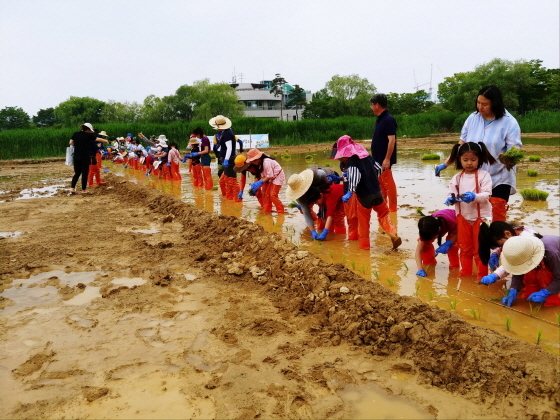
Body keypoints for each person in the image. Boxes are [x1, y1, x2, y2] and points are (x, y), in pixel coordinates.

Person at [436, 85, 522, 222]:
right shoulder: (472, 118)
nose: (480, 107)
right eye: (478, 103)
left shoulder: (509, 122)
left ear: (495, 104)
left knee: (496, 220)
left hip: (499, 178)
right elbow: (461, 145)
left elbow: (514, 149)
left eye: (485, 104)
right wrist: (445, 164)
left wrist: (508, 159)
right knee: (476, 217)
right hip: (476, 177)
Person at [335, 135, 401, 250]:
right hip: (377, 192)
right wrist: (371, 179)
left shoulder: (352, 163)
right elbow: (379, 169)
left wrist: (350, 192)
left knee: (363, 222)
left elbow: (355, 176)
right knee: (384, 214)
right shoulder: (368, 158)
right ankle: (393, 233)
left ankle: (364, 248)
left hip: (364, 197)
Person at [445, 142, 496, 278]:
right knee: (465, 248)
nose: (469, 163)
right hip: (463, 217)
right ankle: (465, 274)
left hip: (482, 218)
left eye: (473, 160)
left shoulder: (484, 175)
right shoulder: (456, 178)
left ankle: (482, 276)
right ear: (459, 159)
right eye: (465, 160)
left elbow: (487, 195)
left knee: (481, 249)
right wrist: (450, 199)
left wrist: (474, 196)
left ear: (479, 159)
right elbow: (452, 194)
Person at [500, 235, 560, 307]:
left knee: (547, 275)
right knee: (530, 274)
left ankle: (553, 299)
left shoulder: (551, 253)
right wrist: (514, 288)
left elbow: (559, 277)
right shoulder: (523, 251)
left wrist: (546, 292)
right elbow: (519, 269)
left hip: (556, 259)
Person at [477, 221, 542, 285]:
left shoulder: (525, 242)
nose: (503, 247)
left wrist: (495, 275)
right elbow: (502, 242)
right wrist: (495, 253)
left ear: (508, 233)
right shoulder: (512, 233)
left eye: (501, 245)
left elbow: (512, 264)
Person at [370, 93, 398, 212]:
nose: (371, 107)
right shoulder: (380, 119)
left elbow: (392, 140)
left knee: (388, 183)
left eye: (372, 105)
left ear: (377, 105)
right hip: (377, 159)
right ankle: (384, 208)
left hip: (384, 159)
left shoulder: (388, 119)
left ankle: (392, 209)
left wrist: (387, 159)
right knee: (381, 184)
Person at [415, 209, 459, 277]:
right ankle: (429, 263)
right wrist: (420, 269)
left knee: (453, 247)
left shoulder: (451, 222)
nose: (433, 239)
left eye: (433, 237)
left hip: (456, 224)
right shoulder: (426, 228)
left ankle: (454, 268)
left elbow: (458, 233)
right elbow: (418, 250)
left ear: (439, 229)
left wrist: (449, 243)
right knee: (425, 244)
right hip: (437, 227)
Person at [69, 123, 108, 195]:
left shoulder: (76, 133)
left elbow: (71, 142)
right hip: (85, 157)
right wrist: (105, 141)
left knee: (77, 173)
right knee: (84, 173)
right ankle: (83, 190)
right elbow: (97, 139)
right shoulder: (88, 135)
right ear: (88, 129)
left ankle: (72, 189)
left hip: (76, 156)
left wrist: (78, 144)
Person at [209, 115, 240, 201]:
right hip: (226, 158)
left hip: (229, 159)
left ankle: (237, 200)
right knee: (223, 181)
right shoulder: (225, 132)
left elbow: (229, 148)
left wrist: (226, 159)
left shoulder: (227, 133)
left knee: (232, 181)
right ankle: (228, 199)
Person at [245, 148, 285, 214]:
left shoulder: (266, 162)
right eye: (252, 161)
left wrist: (260, 182)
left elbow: (270, 175)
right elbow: (264, 177)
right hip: (271, 178)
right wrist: (256, 185)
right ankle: (267, 212)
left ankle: (281, 213)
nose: (253, 163)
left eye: (254, 161)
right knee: (266, 195)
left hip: (278, 176)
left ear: (258, 158)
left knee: (273, 195)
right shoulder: (260, 164)